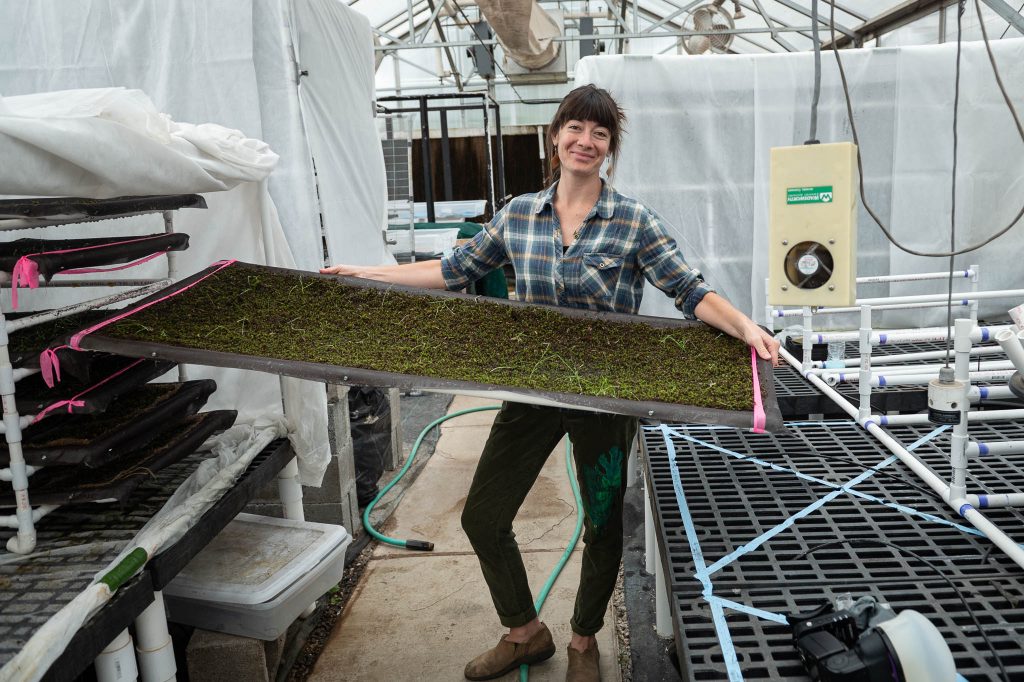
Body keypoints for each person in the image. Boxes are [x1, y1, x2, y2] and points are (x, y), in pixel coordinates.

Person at [322, 84, 779, 682]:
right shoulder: (518, 213)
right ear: (556, 135)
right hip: (533, 390)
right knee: (482, 516)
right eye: (576, 129)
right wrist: (367, 272)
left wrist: (746, 326)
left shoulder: (632, 220)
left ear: (609, 149)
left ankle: (584, 640)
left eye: (600, 134)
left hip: (605, 397)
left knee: (603, 521)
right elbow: (454, 270)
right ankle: (524, 632)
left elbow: (688, 290)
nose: (585, 142)